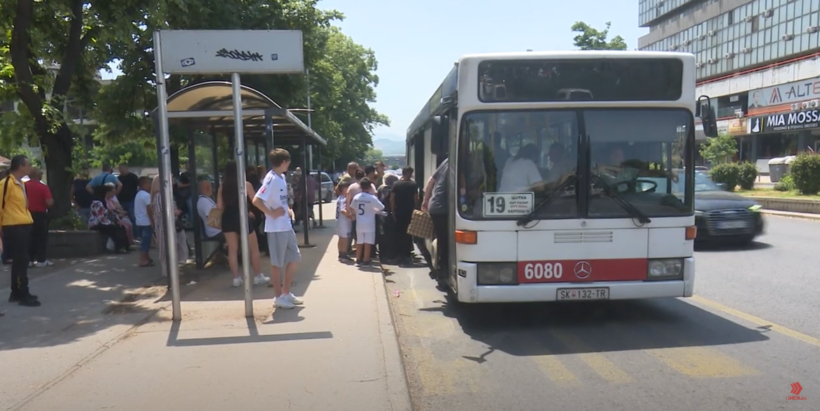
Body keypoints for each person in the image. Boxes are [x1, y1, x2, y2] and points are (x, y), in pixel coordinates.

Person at [252, 148, 303, 310]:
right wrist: (271, 213)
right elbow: (257, 200)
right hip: (276, 228)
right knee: (277, 263)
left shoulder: (281, 177)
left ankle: (285, 292)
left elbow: (280, 199)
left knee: (294, 258)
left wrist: (287, 209)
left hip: (286, 225)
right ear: (283, 162)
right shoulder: (271, 178)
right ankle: (278, 296)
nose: (289, 164)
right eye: (288, 161)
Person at [218, 161, 269, 288]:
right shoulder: (245, 185)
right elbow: (255, 201)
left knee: (232, 249)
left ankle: (236, 278)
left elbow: (219, 207)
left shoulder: (222, 187)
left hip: (227, 218)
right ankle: (257, 276)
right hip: (241, 217)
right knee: (254, 247)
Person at [1, 155, 39, 307]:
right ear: (20, 167)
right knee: (21, 260)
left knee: (20, 260)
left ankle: (16, 292)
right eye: (28, 165)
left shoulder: (20, 184)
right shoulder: (6, 184)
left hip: (23, 224)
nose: (30, 168)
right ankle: (23, 293)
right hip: (13, 226)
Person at [422, 158, 450, 284]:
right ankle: (441, 271)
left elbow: (430, 181)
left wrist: (426, 200)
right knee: (445, 241)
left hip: (435, 206)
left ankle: (438, 268)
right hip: (442, 208)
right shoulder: (459, 160)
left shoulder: (446, 162)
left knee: (441, 238)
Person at [351, 178, 385, 267]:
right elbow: (381, 207)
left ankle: (358, 260)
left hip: (359, 223)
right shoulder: (372, 198)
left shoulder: (356, 197)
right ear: (370, 187)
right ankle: (366, 259)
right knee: (368, 242)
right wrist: (374, 210)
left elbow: (352, 207)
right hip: (369, 223)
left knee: (359, 242)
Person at [89, 185, 131, 253]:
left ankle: (125, 246)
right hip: (96, 224)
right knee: (115, 228)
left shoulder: (101, 202)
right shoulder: (98, 203)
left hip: (102, 222)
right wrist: (111, 222)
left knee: (121, 227)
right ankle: (119, 247)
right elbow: (101, 217)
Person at [25, 167, 54, 267]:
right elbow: (49, 202)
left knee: (28, 237)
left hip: (26, 214)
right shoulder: (43, 187)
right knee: (41, 237)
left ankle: (29, 259)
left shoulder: (24, 186)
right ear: (38, 175)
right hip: (40, 214)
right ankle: (41, 260)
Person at [390, 167, 419, 265]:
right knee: (408, 234)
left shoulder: (396, 184)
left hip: (398, 211)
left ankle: (399, 255)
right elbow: (416, 198)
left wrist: (392, 211)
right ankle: (407, 255)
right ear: (409, 173)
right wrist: (416, 210)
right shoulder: (413, 184)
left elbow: (392, 199)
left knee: (398, 233)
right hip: (409, 212)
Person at [133, 176, 154, 267]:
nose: (151, 186)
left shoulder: (138, 194)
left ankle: (147, 257)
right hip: (146, 222)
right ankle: (142, 260)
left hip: (139, 221)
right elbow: (149, 209)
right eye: (149, 183)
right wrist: (152, 221)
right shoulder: (146, 196)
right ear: (144, 184)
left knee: (144, 240)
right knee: (146, 242)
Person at [335, 180, 354, 262]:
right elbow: (343, 210)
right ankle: (344, 254)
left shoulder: (339, 198)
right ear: (344, 189)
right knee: (345, 239)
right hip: (344, 222)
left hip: (339, 221)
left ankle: (340, 254)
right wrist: (351, 216)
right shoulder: (344, 199)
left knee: (341, 238)